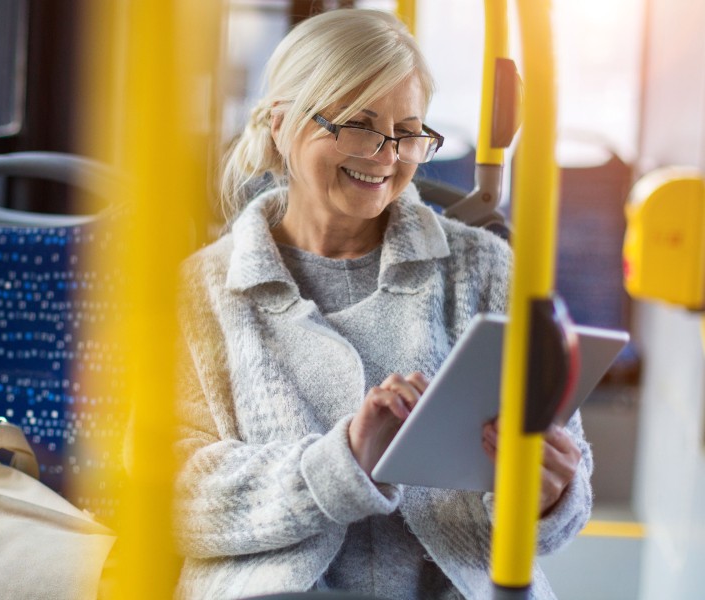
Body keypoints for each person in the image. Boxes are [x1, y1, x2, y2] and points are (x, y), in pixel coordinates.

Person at [173, 8, 591, 600]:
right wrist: (340, 464)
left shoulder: (485, 269)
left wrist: (551, 494)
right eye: (360, 125)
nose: (388, 156)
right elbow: (172, 498)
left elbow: (567, 495)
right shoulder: (202, 291)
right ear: (280, 122)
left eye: (409, 132)